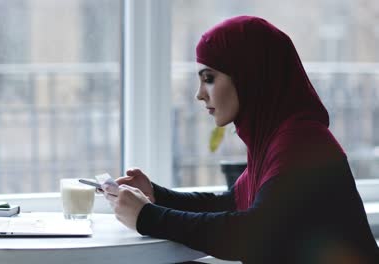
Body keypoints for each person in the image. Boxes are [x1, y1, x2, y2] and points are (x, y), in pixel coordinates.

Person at [103, 16, 379, 263]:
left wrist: (148, 217)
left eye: (209, 78)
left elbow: (251, 234)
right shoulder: (277, 140)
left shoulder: (303, 142)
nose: (199, 94)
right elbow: (229, 203)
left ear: (250, 77)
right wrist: (156, 194)